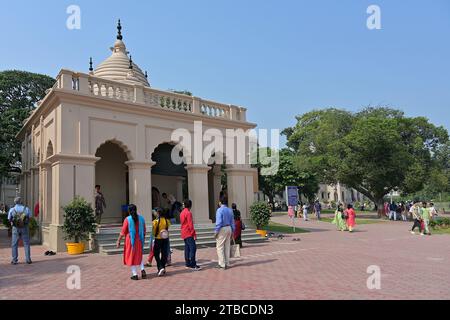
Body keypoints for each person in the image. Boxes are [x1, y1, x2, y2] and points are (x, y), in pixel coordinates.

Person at [116, 204, 146, 280]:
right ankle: (142, 269)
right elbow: (144, 231)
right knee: (139, 255)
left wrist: (118, 240)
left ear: (128, 211)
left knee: (131, 256)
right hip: (139, 240)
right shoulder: (141, 218)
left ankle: (135, 274)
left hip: (130, 241)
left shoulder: (127, 219)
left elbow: (123, 232)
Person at [8, 197, 32, 265]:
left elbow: (9, 219)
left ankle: (14, 260)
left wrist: (13, 222)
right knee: (26, 243)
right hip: (25, 227)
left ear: (15, 202)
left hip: (15, 228)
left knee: (14, 244)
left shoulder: (12, 209)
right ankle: (28, 259)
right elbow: (30, 217)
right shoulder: (26, 209)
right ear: (21, 201)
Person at [214, 196, 235, 270]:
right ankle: (227, 263)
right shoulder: (230, 210)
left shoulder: (219, 210)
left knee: (219, 247)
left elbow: (219, 222)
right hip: (229, 228)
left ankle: (222, 264)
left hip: (222, 228)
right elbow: (232, 221)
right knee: (227, 246)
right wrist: (233, 230)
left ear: (220, 202)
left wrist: (216, 231)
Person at [180, 199, 201, 270]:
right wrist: (193, 234)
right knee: (193, 248)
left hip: (184, 232)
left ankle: (187, 263)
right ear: (190, 205)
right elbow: (190, 224)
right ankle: (192, 264)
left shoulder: (182, 212)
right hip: (189, 232)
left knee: (187, 248)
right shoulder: (188, 213)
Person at [152, 207, 171, 276]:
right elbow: (167, 228)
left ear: (158, 213)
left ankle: (160, 267)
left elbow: (153, 232)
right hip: (165, 238)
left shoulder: (155, 222)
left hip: (158, 239)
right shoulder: (167, 221)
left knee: (156, 254)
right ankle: (163, 267)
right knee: (164, 254)